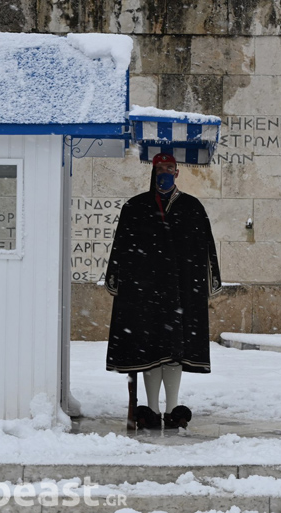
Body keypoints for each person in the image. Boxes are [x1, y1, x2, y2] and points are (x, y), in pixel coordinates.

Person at [104, 152, 222, 430]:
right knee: (150, 351)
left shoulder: (192, 207)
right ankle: (151, 409)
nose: (165, 174)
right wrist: (120, 280)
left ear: (178, 172)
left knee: (174, 350)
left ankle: (172, 408)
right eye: (160, 169)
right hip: (145, 293)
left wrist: (204, 282)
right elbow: (121, 247)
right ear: (153, 172)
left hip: (181, 291)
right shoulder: (136, 206)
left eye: (170, 168)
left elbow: (205, 249)